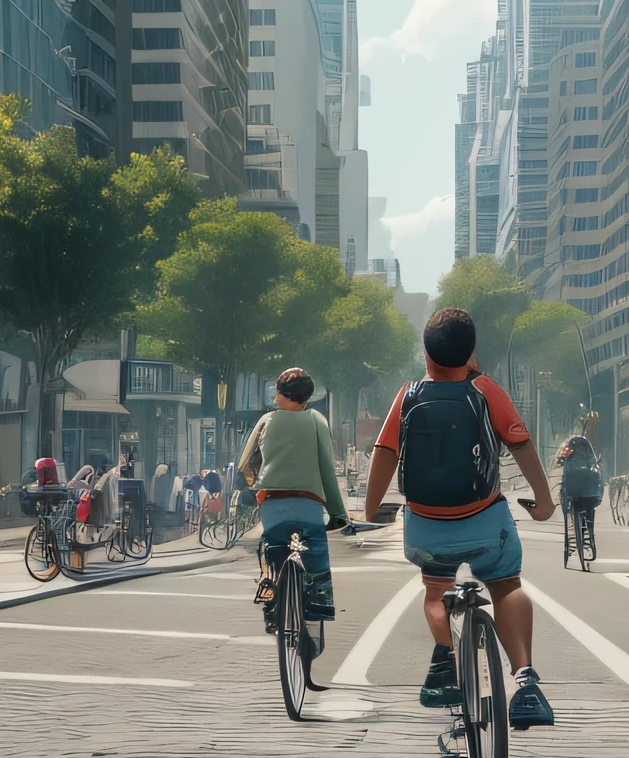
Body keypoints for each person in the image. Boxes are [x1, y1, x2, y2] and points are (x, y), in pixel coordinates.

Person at [365, 308, 559, 730]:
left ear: (425, 353)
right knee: (507, 586)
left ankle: (444, 659)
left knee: (436, 591)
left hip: (425, 527)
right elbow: (521, 443)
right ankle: (524, 680)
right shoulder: (486, 389)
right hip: (484, 520)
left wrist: (369, 509)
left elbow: (384, 452)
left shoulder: (408, 394)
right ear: (472, 353)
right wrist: (543, 502)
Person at [239, 368, 348, 631]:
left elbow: (246, 463)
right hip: (309, 504)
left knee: (271, 547)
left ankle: (269, 585)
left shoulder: (266, 421)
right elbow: (326, 471)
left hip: (272, 503)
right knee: (314, 561)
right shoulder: (317, 421)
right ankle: (315, 608)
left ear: (282, 395)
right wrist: (338, 513)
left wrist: (252, 488)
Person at [556, 433, 603, 549]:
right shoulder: (589, 455)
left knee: (573, 502)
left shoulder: (569, 453)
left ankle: (581, 530)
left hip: (573, 487)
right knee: (589, 506)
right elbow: (594, 464)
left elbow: (563, 462)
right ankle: (590, 531)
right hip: (588, 489)